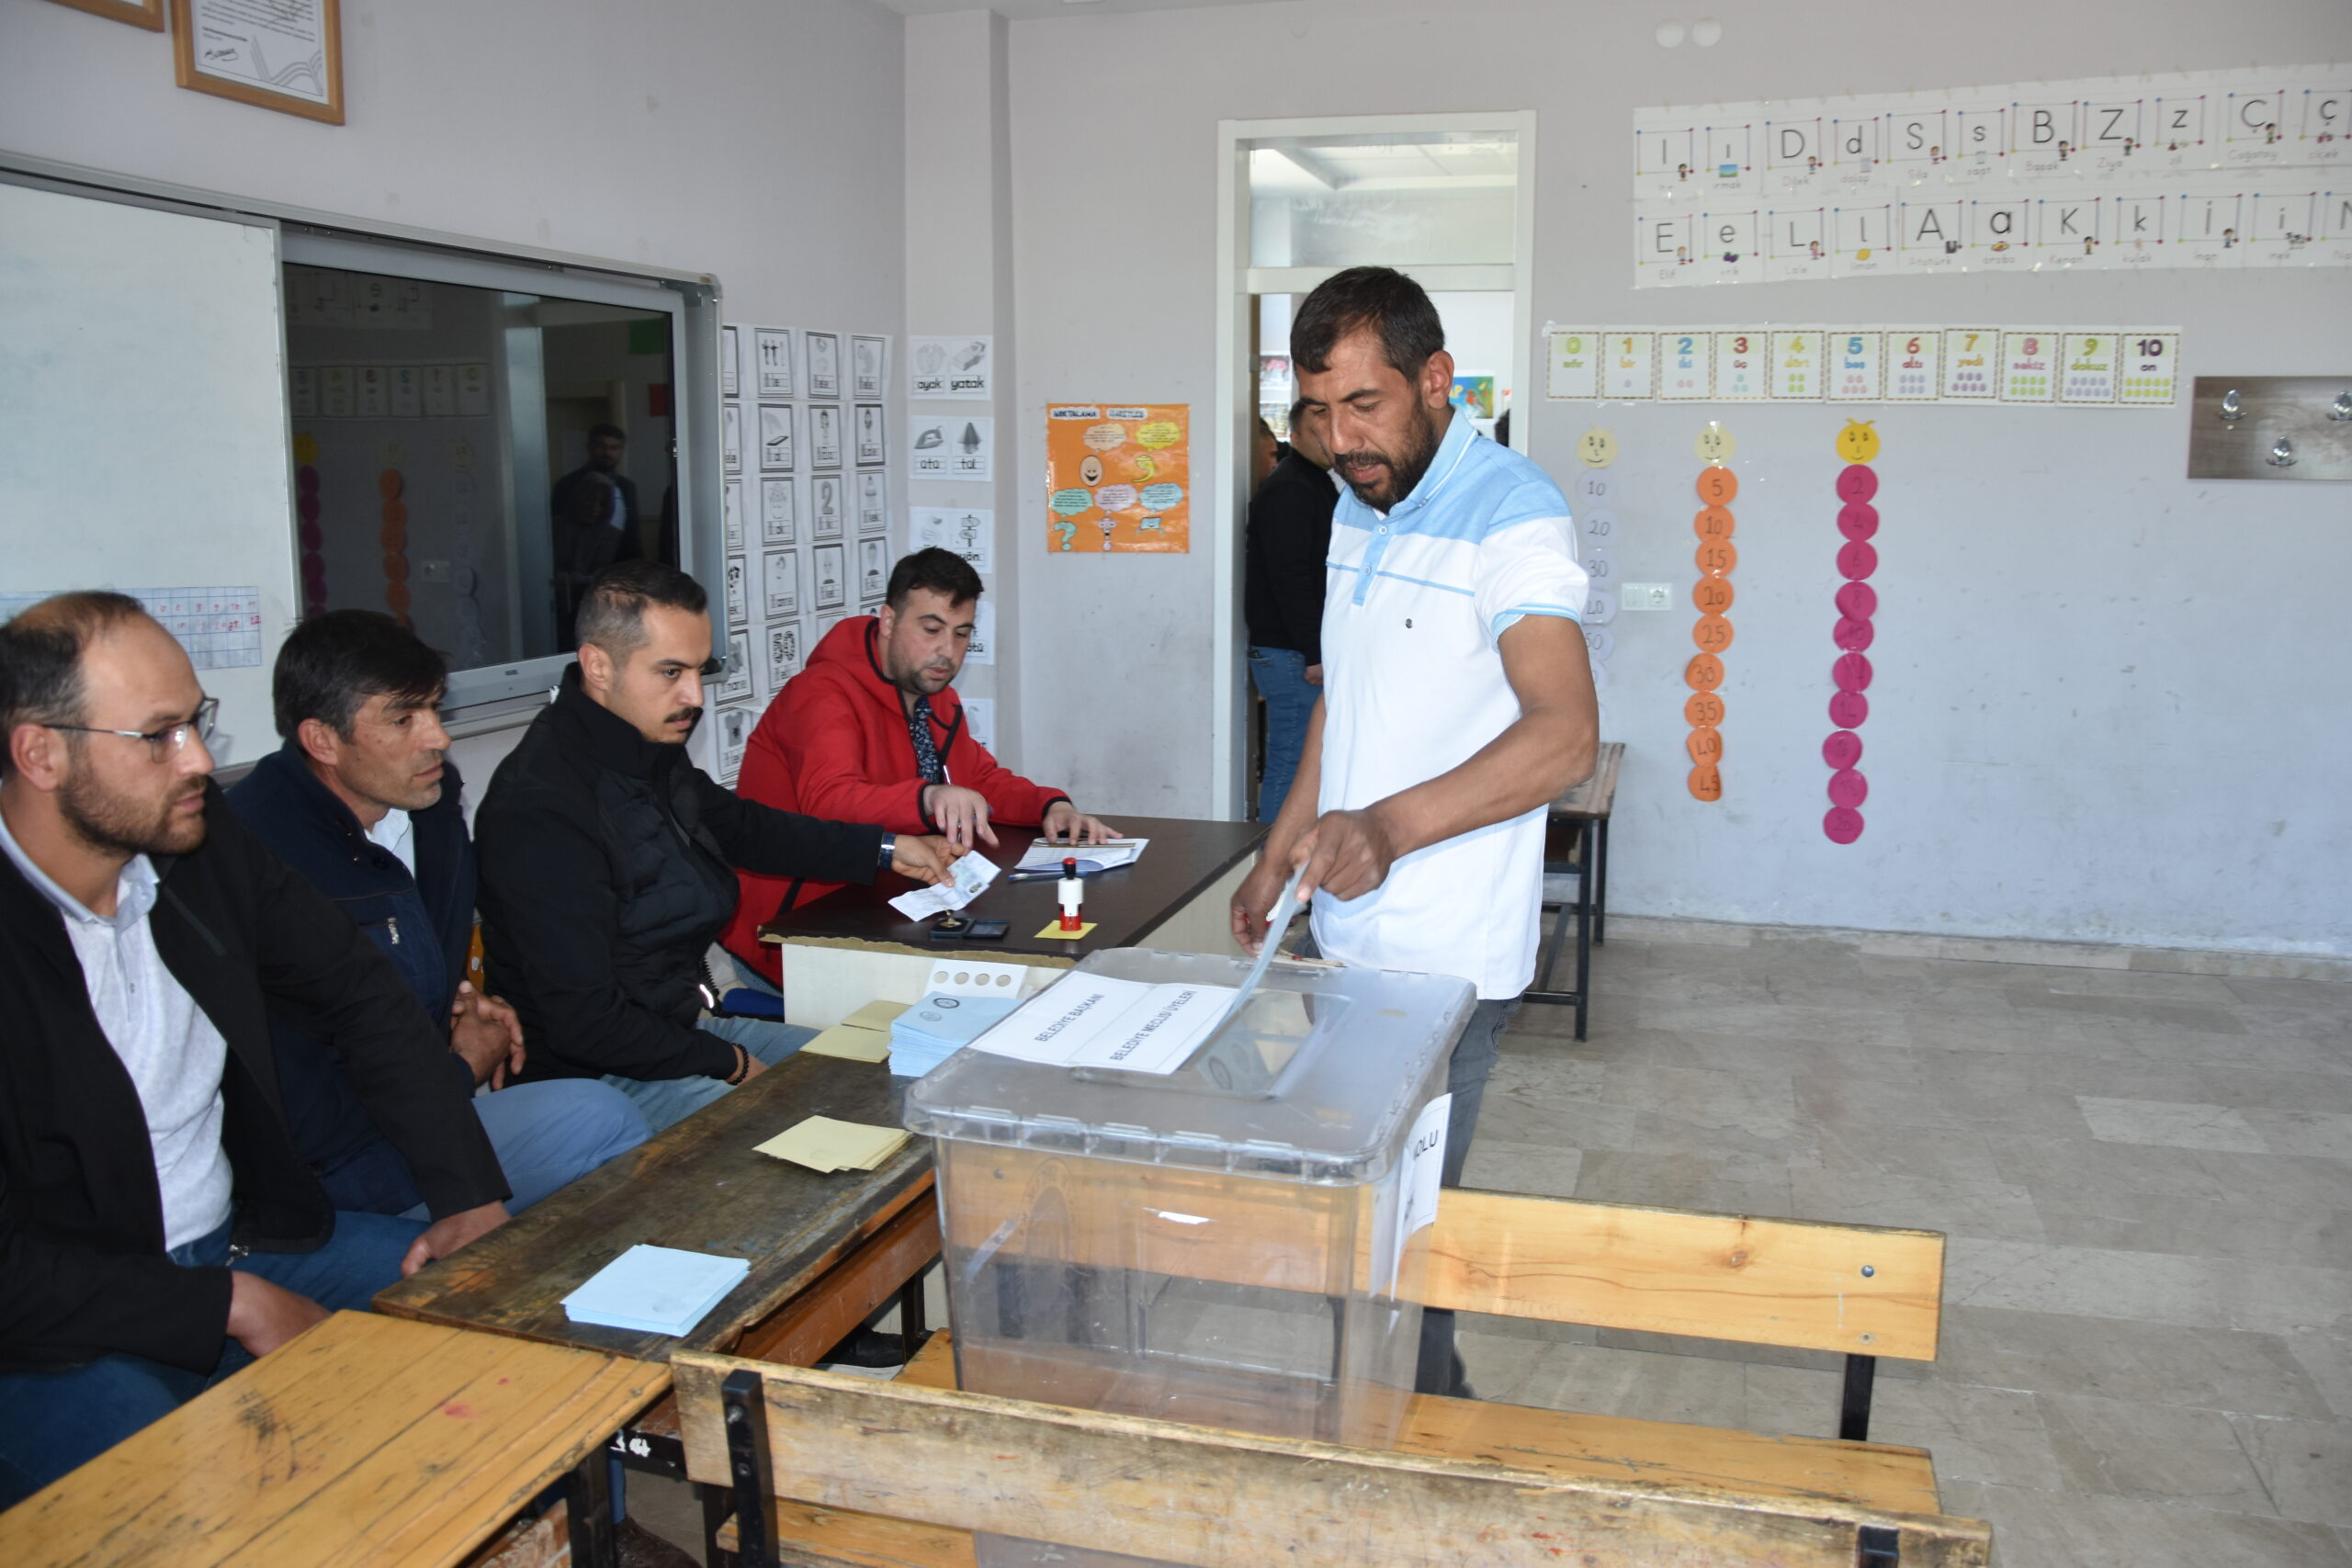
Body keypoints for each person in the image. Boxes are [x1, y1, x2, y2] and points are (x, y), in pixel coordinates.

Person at [0, 593, 508, 1505]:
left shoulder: (197, 847)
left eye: (195, 723)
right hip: (53, 1330)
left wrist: (465, 1193)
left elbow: (359, 994)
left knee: (505, 1329)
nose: (198, 758)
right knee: (208, 1495)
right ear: (40, 753)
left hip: (241, 1244)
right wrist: (223, 1306)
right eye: (157, 736)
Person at [1226, 266, 1596, 1397]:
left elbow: (1564, 737)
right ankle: (1397, 1420)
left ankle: (1427, 1430)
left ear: (1437, 380)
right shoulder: (1358, 502)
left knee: (1403, 1242)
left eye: (1365, 405)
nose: (1342, 440)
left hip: (1443, 961)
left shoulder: (1514, 514)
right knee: (1360, 1229)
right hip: (1348, 939)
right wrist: (1279, 849)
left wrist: (1386, 829)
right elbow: (1346, 699)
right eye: (1317, 412)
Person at [475, 562, 951, 1133]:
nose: (694, 696)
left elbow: (746, 829)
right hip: (597, 1077)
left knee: (896, 1075)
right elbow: (587, 1024)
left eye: (700, 670)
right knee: (818, 1128)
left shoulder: (644, 746)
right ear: (598, 666)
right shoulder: (541, 807)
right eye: (671, 671)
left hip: (681, 1032)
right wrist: (732, 1064)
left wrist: (886, 849)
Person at [226, 611, 650, 1217]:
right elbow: (309, 1103)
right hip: (333, 1171)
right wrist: (463, 1064)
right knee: (597, 1133)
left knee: (604, 1115)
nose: (438, 737)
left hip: (422, 1112)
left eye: (433, 708)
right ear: (321, 741)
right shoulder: (256, 854)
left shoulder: (429, 801)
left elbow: (401, 955)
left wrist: (450, 996)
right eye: (404, 719)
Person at [722, 549, 1115, 985]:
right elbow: (829, 800)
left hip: (888, 910)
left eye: (961, 634)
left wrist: (1051, 807)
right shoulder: (821, 693)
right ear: (889, 621)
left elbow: (979, 780)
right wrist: (927, 798)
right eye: (931, 630)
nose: (947, 652)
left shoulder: (935, 695)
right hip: (794, 937)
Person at [1242, 397, 1340, 823]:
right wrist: (1314, 652)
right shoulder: (1292, 488)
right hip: (1291, 653)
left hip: (1294, 650)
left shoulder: (1312, 482)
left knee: (1301, 761)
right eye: (1318, 432)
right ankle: (1273, 857)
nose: (1330, 440)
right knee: (1292, 763)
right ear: (1295, 436)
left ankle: (1284, 855)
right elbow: (1291, 578)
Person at [550, 422, 640, 552]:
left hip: (620, 560)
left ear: (621, 451)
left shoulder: (627, 487)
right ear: (590, 447)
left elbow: (632, 532)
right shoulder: (567, 484)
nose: (607, 453)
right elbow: (558, 530)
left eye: (614, 448)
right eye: (601, 446)